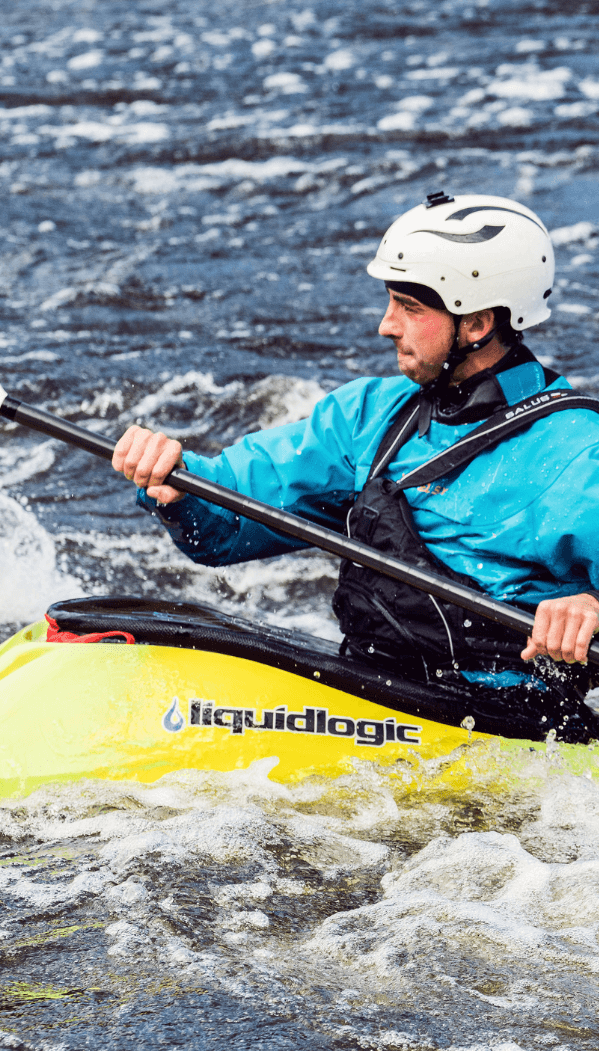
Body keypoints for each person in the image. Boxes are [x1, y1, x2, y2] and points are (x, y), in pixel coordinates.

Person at [113, 192, 599, 699]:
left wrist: (590, 605)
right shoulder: (368, 416)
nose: (386, 324)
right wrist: (177, 482)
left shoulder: (579, 454)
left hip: (512, 731)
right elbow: (225, 523)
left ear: (477, 323)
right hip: (374, 694)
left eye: (409, 307)